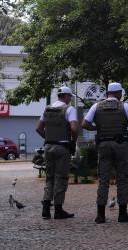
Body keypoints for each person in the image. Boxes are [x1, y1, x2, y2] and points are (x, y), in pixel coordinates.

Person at [81, 82, 128, 224]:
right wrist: (124, 123)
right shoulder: (125, 106)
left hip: (103, 145)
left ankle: (100, 215)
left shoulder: (97, 106)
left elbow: (84, 124)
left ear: (107, 93)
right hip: (121, 145)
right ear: (119, 93)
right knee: (122, 179)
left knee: (103, 180)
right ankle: (122, 214)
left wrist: (97, 128)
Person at [36, 86, 78, 219]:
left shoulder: (47, 109)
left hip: (48, 147)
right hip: (62, 148)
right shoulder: (69, 109)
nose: (70, 99)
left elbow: (38, 128)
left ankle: (46, 209)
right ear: (65, 96)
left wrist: (48, 138)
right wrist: (72, 141)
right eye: (69, 96)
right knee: (61, 178)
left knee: (50, 178)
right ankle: (58, 210)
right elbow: (74, 128)